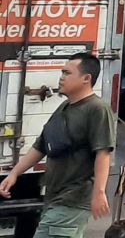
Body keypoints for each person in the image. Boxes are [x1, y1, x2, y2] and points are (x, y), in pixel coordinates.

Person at [0, 53, 116, 238]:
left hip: (73, 200)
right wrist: (14, 173)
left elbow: (103, 153)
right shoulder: (64, 107)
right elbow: (41, 146)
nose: (61, 77)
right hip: (54, 198)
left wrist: (99, 192)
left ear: (86, 78)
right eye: (62, 72)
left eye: (67, 73)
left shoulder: (97, 109)